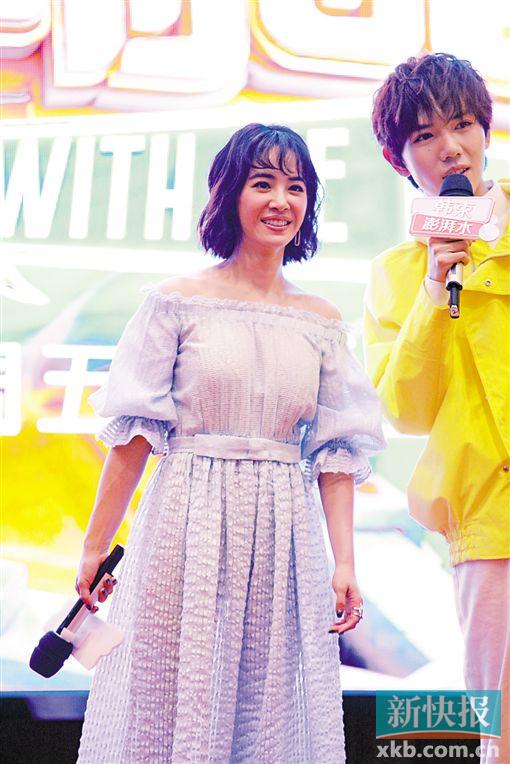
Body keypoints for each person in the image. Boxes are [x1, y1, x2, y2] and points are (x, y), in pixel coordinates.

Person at [75, 123, 385, 763]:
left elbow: (336, 456)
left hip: (283, 529)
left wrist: (345, 563)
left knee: (265, 713)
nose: (281, 201)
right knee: (171, 696)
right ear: (228, 193)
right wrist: (95, 546)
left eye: (296, 187)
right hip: (185, 520)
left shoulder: (322, 320)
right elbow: (133, 438)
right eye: (262, 183)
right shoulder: (175, 303)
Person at [365, 53, 509, 764]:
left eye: (461, 125)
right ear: (400, 160)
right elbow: (405, 409)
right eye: (424, 136)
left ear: (485, 129)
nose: (450, 147)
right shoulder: (398, 273)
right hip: (489, 518)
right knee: (500, 733)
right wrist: (433, 288)